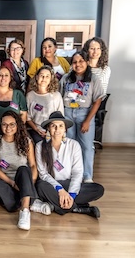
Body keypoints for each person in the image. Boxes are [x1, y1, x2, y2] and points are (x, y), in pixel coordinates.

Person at [0, 111, 51, 230]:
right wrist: (12, 183)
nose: (8, 128)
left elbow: (33, 165)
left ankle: (25, 211)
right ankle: (29, 201)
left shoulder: (26, 141)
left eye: (12, 124)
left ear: (17, 125)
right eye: (4, 124)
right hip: (7, 181)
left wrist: (28, 184)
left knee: (23, 169)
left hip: (23, 178)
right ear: (0, 125)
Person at [35, 111, 104, 218]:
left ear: (65, 129)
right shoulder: (40, 146)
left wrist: (71, 194)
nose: (57, 130)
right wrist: (60, 190)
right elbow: (43, 174)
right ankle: (78, 208)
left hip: (69, 184)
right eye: (53, 126)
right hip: (52, 186)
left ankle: (57, 204)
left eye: (61, 126)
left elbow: (77, 172)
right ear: (48, 128)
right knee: (40, 186)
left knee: (98, 189)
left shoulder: (74, 145)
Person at [60, 51, 104, 183]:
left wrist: (87, 121)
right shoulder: (66, 78)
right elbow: (59, 97)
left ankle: (87, 175)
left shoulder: (94, 79)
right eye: (75, 62)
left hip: (85, 114)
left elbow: (97, 101)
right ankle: (71, 173)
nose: (78, 64)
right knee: (69, 145)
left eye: (81, 61)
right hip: (67, 113)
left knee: (86, 146)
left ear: (87, 62)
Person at [26, 65, 64, 143]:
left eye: (47, 76)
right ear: (36, 77)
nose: (44, 78)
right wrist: (37, 129)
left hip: (53, 130)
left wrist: (52, 131)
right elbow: (27, 117)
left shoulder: (56, 95)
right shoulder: (30, 95)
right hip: (35, 130)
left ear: (51, 79)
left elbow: (60, 117)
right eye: (42, 76)